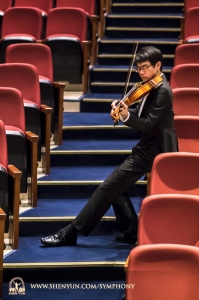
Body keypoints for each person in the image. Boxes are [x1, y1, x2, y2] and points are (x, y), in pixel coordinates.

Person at [40, 46, 178, 247]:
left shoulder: (163, 90)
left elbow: (147, 123)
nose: (141, 72)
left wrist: (126, 116)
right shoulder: (149, 86)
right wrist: (124, 107)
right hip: (147, 147)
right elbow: (139, 109)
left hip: (156, 151)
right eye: (138, 68)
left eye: (145, 68)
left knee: (108, 188)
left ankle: (70, 232)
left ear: (158, 66)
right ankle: (132, 228)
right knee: (115, 187)